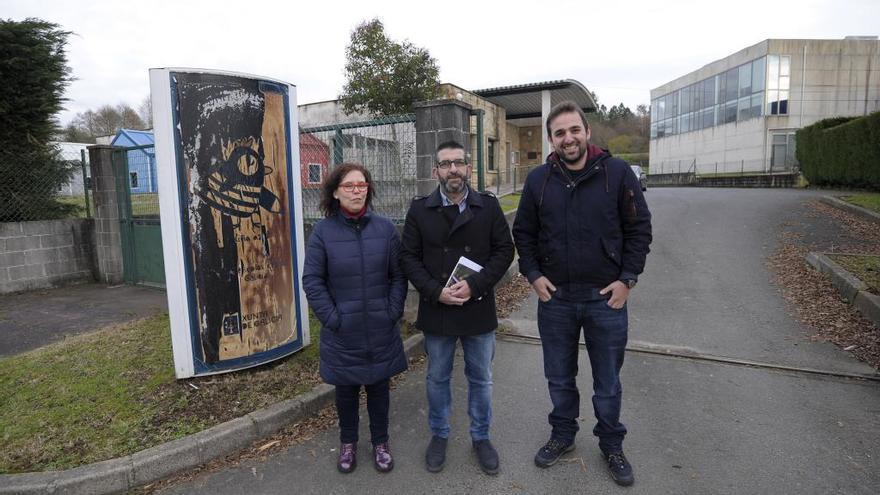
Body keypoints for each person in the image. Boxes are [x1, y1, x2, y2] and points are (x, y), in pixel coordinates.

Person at [512, 101, 652, 487]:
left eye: (574, 130)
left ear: (587, 132)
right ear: (551, 139)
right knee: (559, 376)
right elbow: (523, 233)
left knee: (607, 380)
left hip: (605, 299)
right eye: (559, 133)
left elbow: (639, 230)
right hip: (555, 299)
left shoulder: (618, 173)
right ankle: (563, 434)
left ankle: (611, 442)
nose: (568, 138)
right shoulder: (539, 180)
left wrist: (628, 279)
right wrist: (533, 274)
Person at [400, 141, 514, 475]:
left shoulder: (488, 207)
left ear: (468, 167)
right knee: (437, 376)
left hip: (477, 307)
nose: (453, 169)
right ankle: (440, 434)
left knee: (481, 377)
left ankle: (481, 437)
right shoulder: (420, 209)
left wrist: (476, 284)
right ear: (435, 171)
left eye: (459, 163)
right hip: (439, 309)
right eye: (446, 164)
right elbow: (408, 257)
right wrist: (436, 292)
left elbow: (504, 251)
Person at [302, 163, 408, 474]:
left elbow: (398, 276)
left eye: (362, 184)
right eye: (349, 185)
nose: (357, 190)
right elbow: (313, 281)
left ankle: (381, 443)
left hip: (380, 328)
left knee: (379, 391)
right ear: (335, 192)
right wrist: (333, 319)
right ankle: (348, 443)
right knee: (346, 392)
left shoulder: (385, 229)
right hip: (342, 332)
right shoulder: (322, 232)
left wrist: (392, 311)